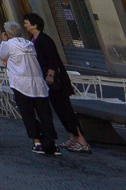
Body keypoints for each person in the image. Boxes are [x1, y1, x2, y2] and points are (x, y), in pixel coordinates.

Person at [24, 13, 90, 153]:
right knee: (60, 110)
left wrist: (51, 74)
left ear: (35, 24)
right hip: (47, 80)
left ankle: (82, 142)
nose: (25, 25)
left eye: (27, 23)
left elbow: (53, 58)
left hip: (55, 80)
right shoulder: (33, 39)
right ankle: (73, 138)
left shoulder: (44, 39)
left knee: (66, 110)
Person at [0, 22, 57, 156]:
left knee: (28, 114)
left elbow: (2, 56)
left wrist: (4, 41)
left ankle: (37, 142)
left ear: (9, 34)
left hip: (20, 83)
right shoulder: (29, 44)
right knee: (45, 114)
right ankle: (51, 142)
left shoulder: (8, 44)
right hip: (37, 83)